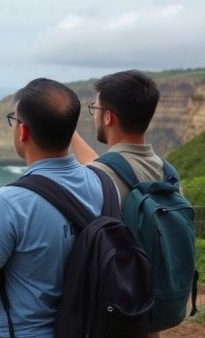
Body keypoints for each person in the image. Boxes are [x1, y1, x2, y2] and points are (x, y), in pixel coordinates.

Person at [0, 78, 106, 337]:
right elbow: (95, 162)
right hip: (81, 328)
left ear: (23, 131)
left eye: (13, 120)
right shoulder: (102, 182)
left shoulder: (9, 203)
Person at [70, 69, 165, 338]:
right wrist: (72, 135)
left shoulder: (100, 178)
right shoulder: (167, 171)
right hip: (149, 304)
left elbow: (102, 171)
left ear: (108, 116)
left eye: (94, 108)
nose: (94, 115)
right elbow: (105, 165)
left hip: (117, 314)